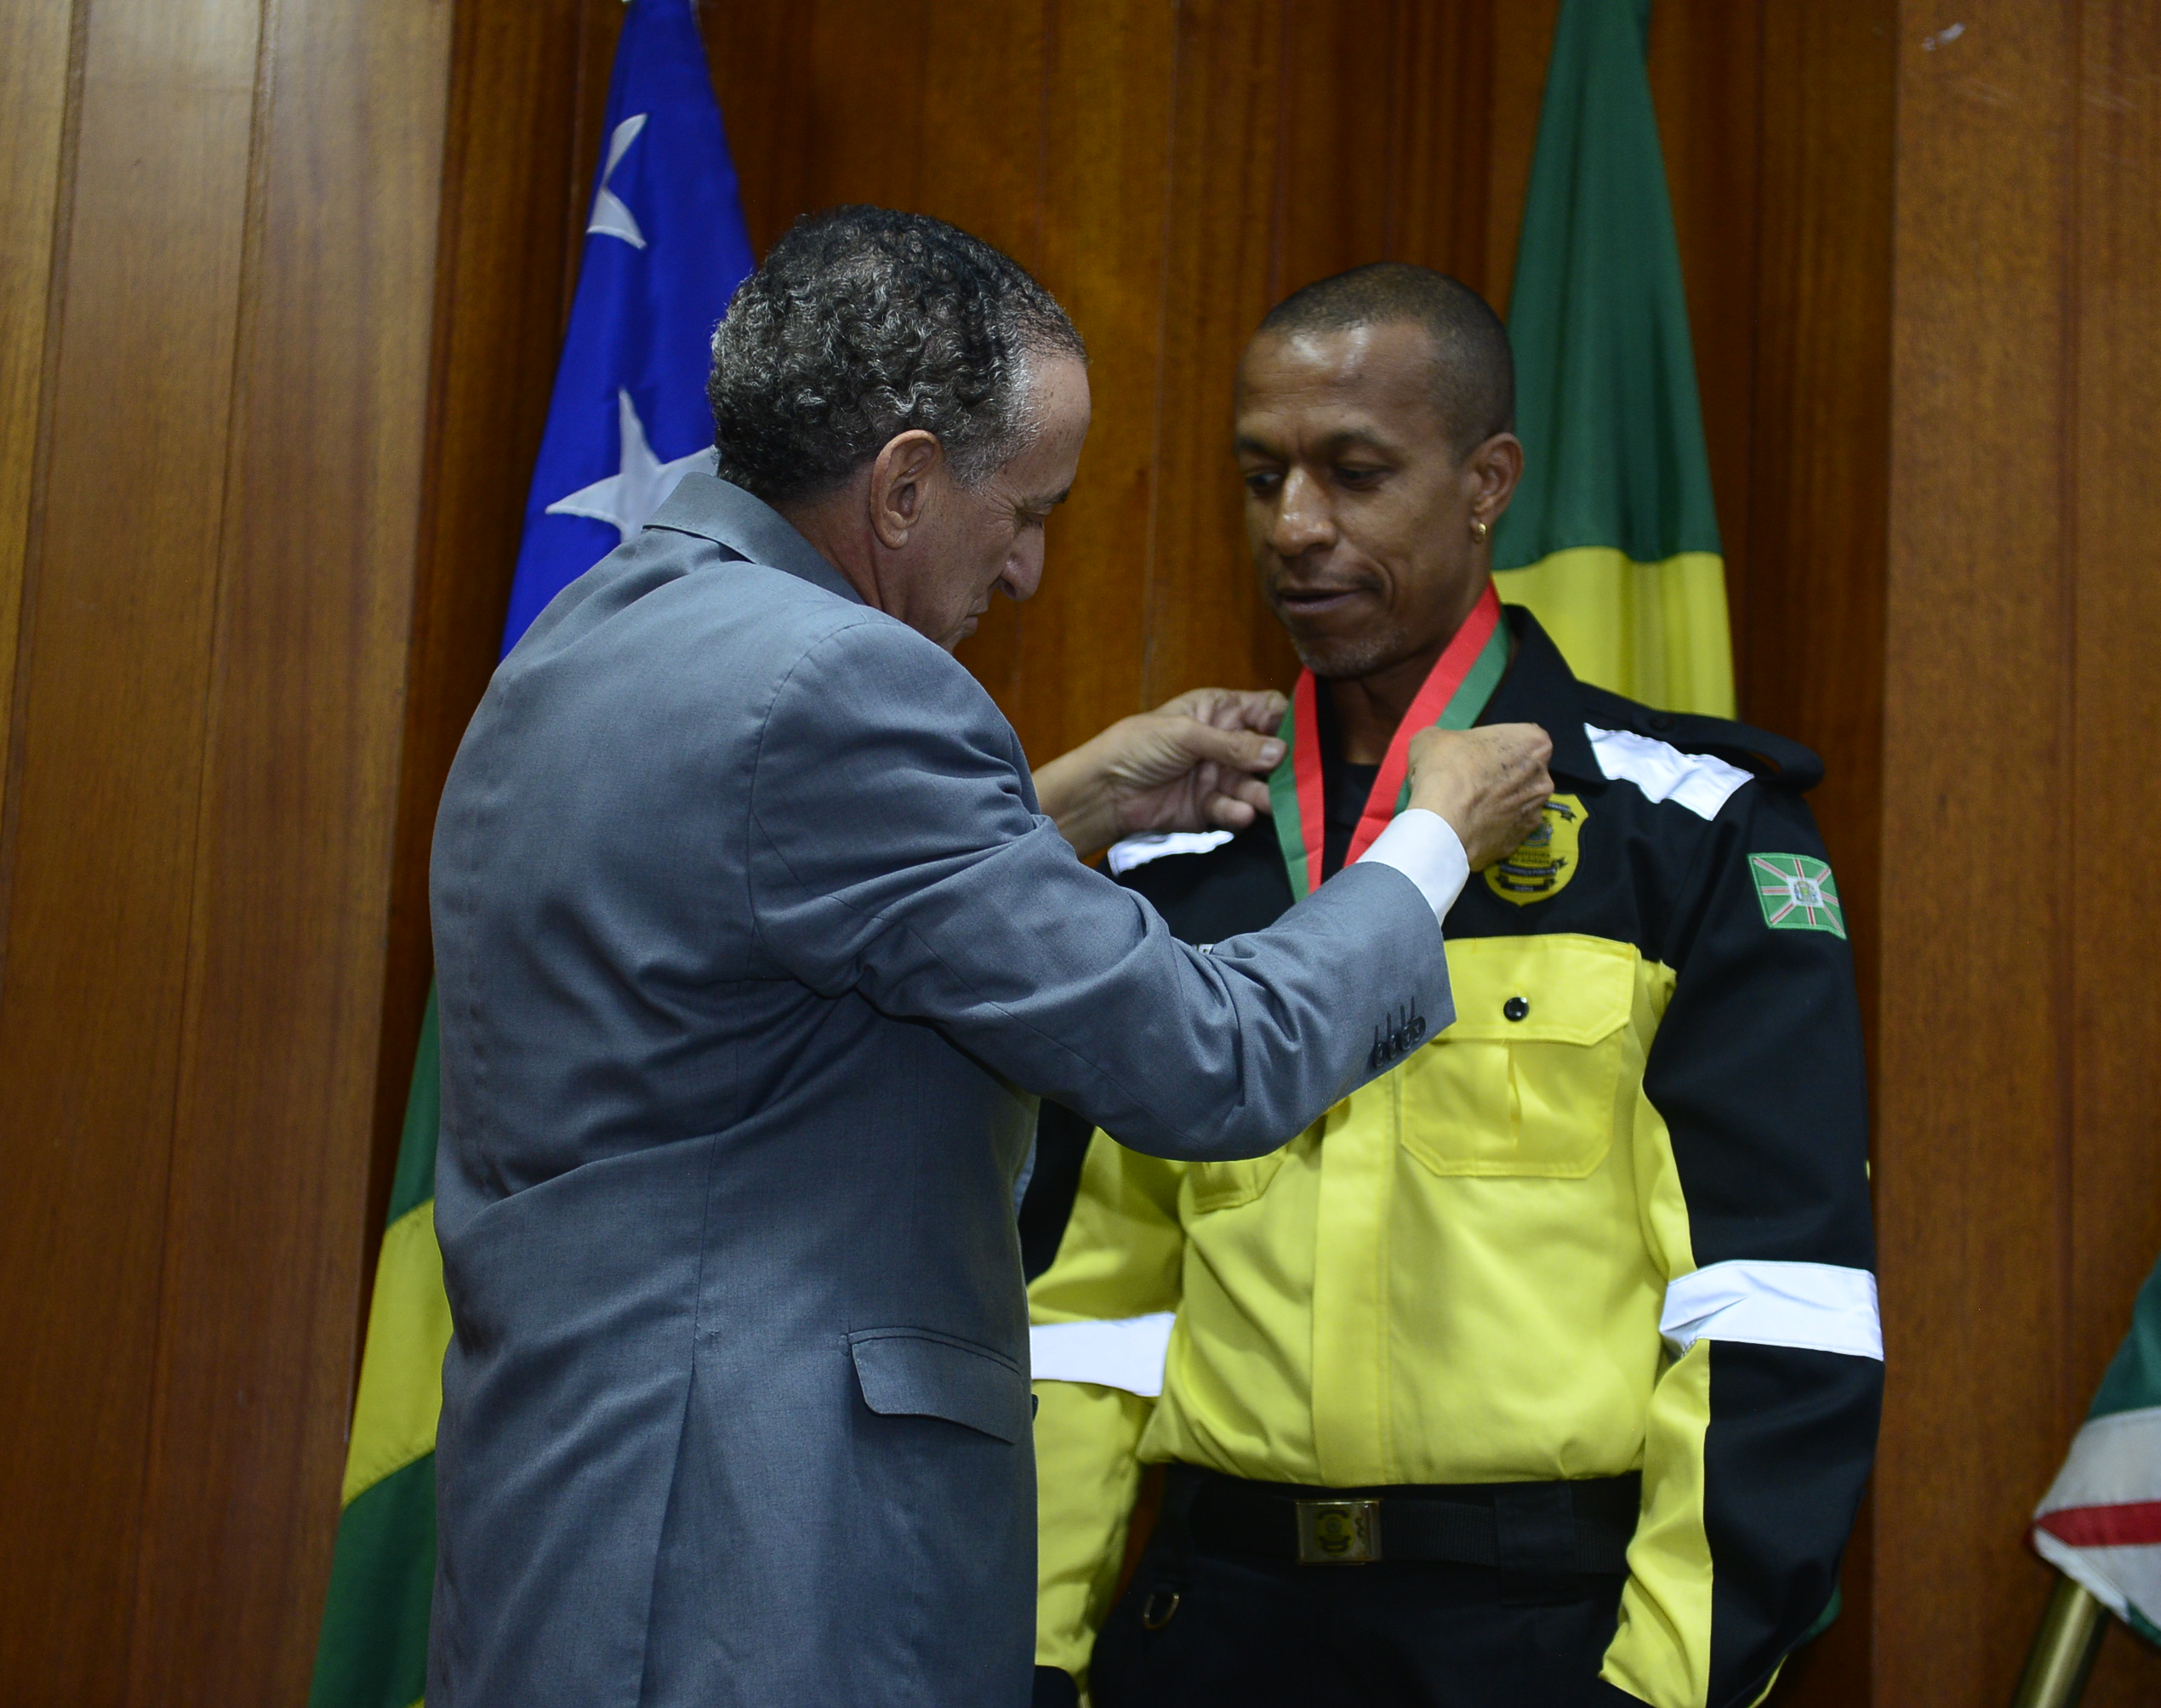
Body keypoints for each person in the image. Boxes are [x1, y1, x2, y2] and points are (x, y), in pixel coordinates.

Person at [423, 211, 1555, 1707]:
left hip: (576, 1543)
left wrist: (1068, 804)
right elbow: (1214, 1060)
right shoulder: (848, 685)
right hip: (766, 1573)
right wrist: (1432, 842)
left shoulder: (585, 639)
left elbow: (757, 922)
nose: (1027, 569)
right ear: (903, 486)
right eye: (1027, 510)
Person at [1025, 264, 1882, 1708]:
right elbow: (1081, 1314)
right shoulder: (1178, 851)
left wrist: (1659, 1692)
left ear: (1488, 482)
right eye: (1262, 477)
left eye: (1356, 474)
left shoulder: (1687, 835)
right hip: (1212, 1625)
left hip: (1542, 1634)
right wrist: (1036, 1657)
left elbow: (1774, 1316)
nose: (1296, 527)